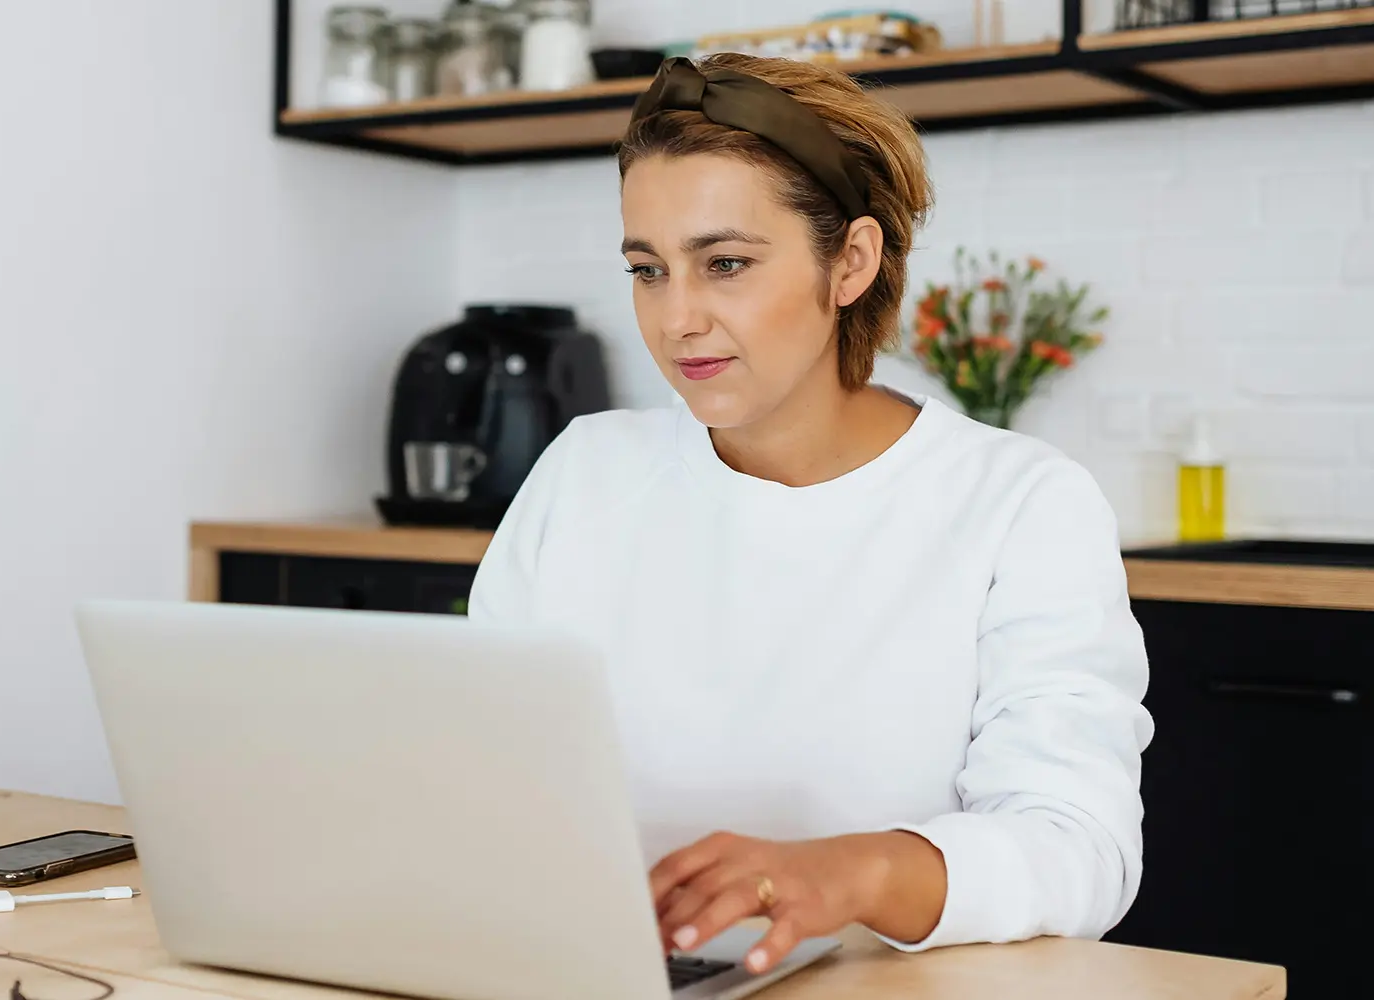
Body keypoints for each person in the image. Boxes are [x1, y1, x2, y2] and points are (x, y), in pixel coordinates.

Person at [467, 54, 1152, 975]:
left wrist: (852, 874)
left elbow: (1081, 850)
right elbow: (474, 774)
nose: (678, 318)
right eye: (648, 270)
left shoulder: (1020, 504)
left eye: (726, 264)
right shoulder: (585, 470)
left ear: (852, 263)